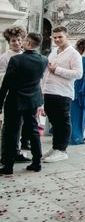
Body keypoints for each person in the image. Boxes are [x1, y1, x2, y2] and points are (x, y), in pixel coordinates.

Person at [0, 33, 47, 174]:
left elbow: (6, 83)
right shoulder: (43, 60)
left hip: (15, 100)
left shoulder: (16, 60)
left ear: (28, 43)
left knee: (11, 132)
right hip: (32, 100)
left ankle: (8, 166)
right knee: (33, 131)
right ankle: (37, 163)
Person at [42, 26, 83, 163]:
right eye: (55, 37)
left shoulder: (74, 54)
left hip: (62, 92)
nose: (57, 39)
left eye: (60, 37)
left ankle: (62, 150)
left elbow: (78, 74)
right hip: (49, 91)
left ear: (67, 36)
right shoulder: (54, 52)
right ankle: (55, 147)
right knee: (54, 121)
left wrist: (57, 70)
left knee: (62, 121)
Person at [0, 26, 31, 164]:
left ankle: (16, 151)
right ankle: (5, 154)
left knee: (20, 126)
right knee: (8, 127)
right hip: (11, 95)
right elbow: (2, 78)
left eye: (19, 40)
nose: (17, 43)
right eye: (13, 41)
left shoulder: (26, 54)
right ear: (9, 42)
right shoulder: (5, 58)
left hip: (25, 95)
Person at [69, 38, 85, 145]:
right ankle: (78, 136)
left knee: (73, 113)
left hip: (74, 88)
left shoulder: (74, 58)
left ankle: (72, 135)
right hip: (84, 89)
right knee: (81, 113)